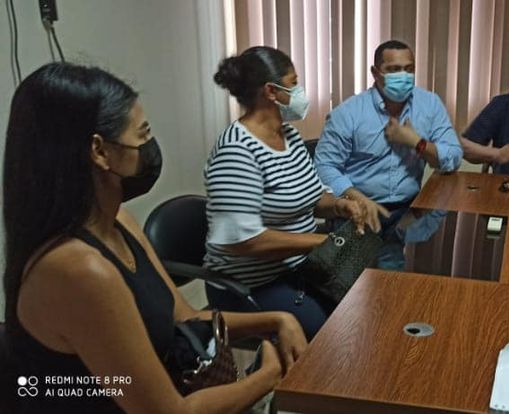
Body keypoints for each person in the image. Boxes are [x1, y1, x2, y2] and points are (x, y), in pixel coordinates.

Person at [3, 62, 305, 413]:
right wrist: (269, 376)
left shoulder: (119, 221)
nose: (150, 146)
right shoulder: (78, 270)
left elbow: (185, 317)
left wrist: (277, 319)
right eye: (142, 134)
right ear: (99, 151)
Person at [206, 46, 365, 339]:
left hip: (301, 269)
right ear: (271, 91)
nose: (300, 92)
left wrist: (339, 205)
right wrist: (322, 242)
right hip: (253, 286)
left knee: (368, 300)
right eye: (294, 83)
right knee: (333, 331)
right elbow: (244, 241)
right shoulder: (237, 151)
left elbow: (312, 197)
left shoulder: (288, 136)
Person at [314, 40, 462, 269]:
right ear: (375, 73)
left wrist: (416, 142)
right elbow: (324, 166)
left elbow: (453, 157)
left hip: (407, 212)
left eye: (409, 69)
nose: (403, 76)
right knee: (350, 283)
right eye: (393, 70)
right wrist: (359, 199)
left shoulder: (429, 104)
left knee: (399, 279)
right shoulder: (348, 113)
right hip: (356, 211)